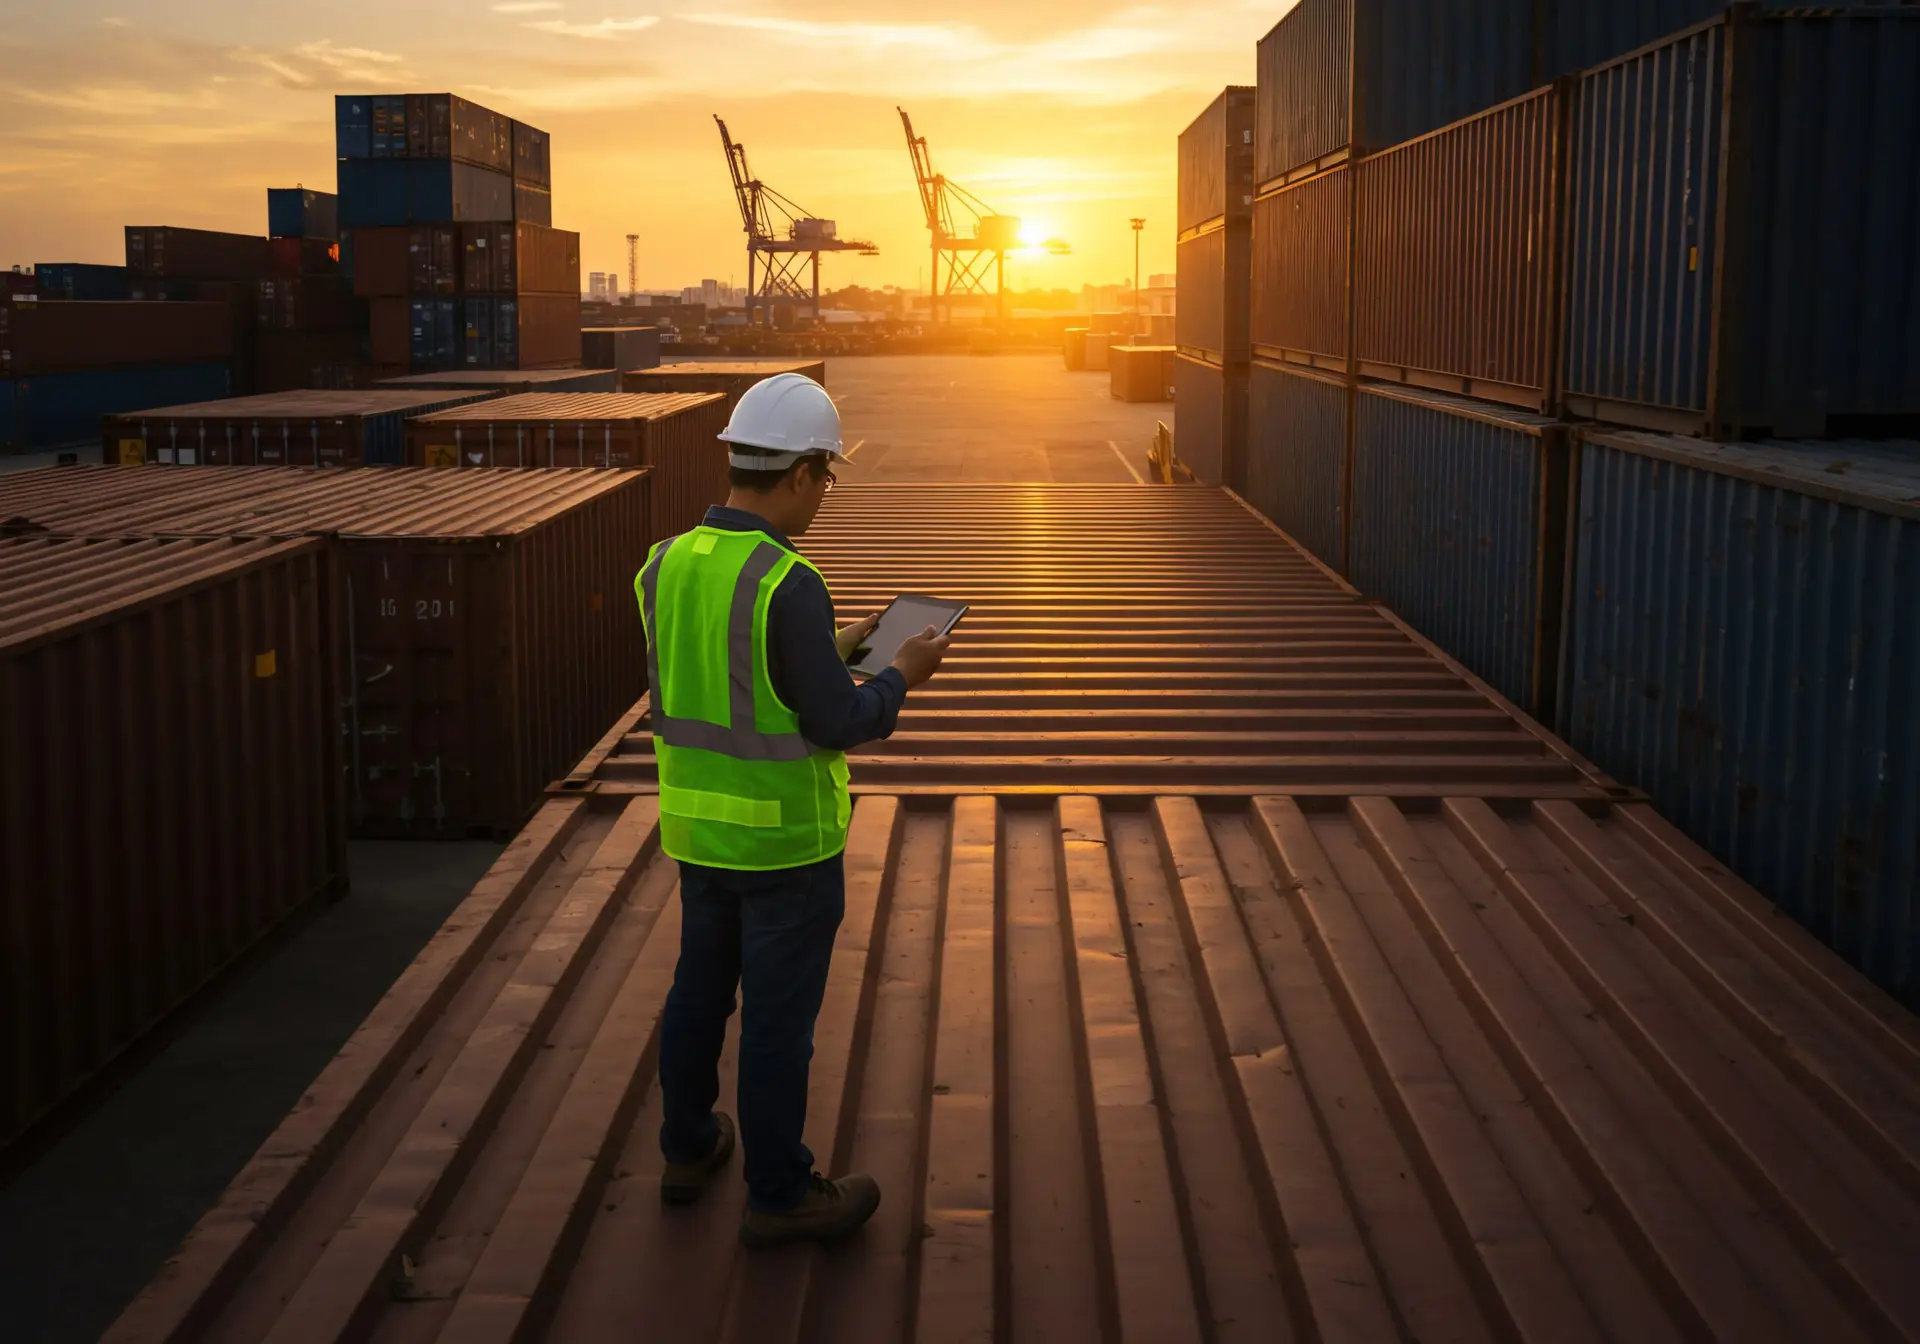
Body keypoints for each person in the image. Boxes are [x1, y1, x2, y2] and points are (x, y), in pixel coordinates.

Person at [635, 372, 951, 1249]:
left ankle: (688, 1148)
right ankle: (779, 1195)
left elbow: (725, 676)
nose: (824, 498)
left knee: (697, 999)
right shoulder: (787, 579)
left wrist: (830, 648)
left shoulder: (667, 563)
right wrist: (899, 673)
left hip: (698, 835)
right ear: (805, 473)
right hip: (784, 854)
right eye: (827, 480)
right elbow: (841, 721)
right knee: (777, 1027)